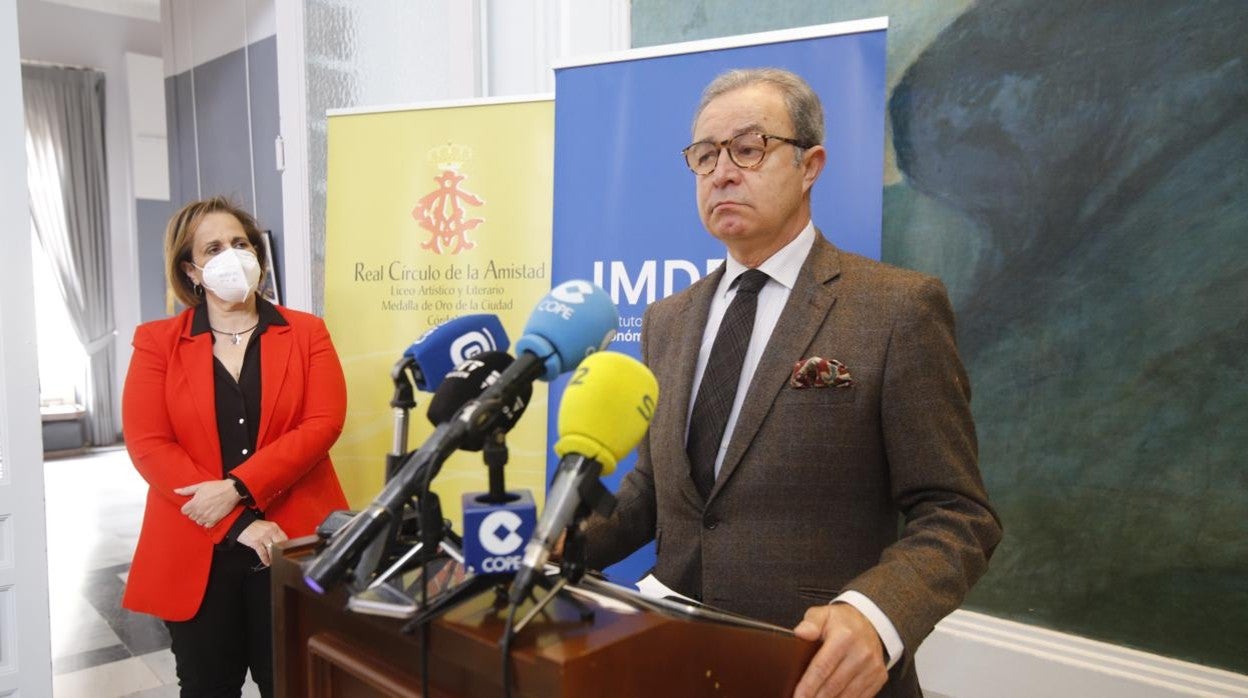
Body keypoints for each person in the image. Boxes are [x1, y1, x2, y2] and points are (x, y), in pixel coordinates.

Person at [581, 69, 1003, 698]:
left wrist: (875, 615)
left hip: (814, 673)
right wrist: (559, 541)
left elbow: (958, 513)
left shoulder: (897, 309)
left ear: (810, 166)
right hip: (677, 663)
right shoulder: (667, 320)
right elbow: (655, 493)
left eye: (748, 148)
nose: (722, 173)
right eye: (705, 156)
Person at [121, 197, 349, 697]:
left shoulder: (306, 332)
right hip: (197, 542)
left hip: (291, 541)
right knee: (207, 687)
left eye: (240, 243)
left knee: (295, 685)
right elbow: (149, 445)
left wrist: (238, 488)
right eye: (214, 248)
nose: (232, 255)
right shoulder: (157, 342)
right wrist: (238, 522)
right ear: (191, 270)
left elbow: (323, 423)